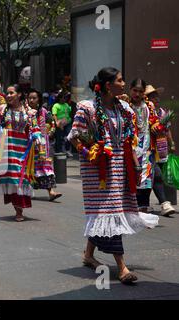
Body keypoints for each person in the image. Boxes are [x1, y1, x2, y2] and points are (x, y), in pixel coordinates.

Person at [68, 67, 159, 284]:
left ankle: (88, 255)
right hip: (98, 173)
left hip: (120, 169)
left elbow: (129, 140)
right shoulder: (86, 108)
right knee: (110, 214)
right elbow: (74, 137)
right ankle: (122, 267)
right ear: (108, 85)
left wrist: (136, 167)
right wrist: (90, 153)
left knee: (106, 214)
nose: (123, 82)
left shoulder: (124, 109)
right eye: (120, 80)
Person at [0, 84, 41, 222]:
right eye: (8, 93)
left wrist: (37, 137)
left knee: (22, 178)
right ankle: (18, 209)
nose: (9, 95)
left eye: (11, 93)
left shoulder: (29, 112)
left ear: (19, 95)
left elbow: (35, 129)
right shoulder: (2, 110)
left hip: (24, 150)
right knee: (13, 179)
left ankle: (20, 208)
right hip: (7, 151)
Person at [129, 79, 174, 215]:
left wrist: (156, 127)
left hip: (148, 149)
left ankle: (143, 207)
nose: (137, 94)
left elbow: (154, 121)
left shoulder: (149, 106)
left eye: (141, 91)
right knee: (134, 178)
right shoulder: (125, 105)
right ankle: (136, 207)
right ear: (130, 90)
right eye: (135, 90)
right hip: (132, 147)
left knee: (149, 178)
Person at [146, 85, 176, 216]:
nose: (156, 99)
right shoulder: (144, 111)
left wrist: (172, 143)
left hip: (162, 147)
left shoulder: (162, 112)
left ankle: (144, 203)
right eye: (152, 96)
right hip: (148, 148)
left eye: (156, 96)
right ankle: (164, 203)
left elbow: (167, 129)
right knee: (155, 174)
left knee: (157, 175)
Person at [27, 89, 62, 201]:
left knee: (45, 166)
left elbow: (52, 124)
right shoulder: (24, 112)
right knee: (29, 168)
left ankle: (51, 192)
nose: (31, 100)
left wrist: (50, 132)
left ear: (39, 100)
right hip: (29, 145)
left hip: (43, 146)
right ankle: (26, 192)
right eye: (30, 98)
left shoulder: (44, 112)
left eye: (34, 98)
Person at [52, 90, 73, 156]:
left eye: (65, 98)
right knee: (59, 137)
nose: (64, 99)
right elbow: (54, 114)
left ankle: (67, 150)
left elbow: (70, 111)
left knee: (69, 136)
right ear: (59, 98)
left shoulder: (66, 105)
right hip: (60, 124)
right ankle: (58, 150)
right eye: (63, 98)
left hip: (68, 122)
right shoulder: (56, 105)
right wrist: (56, 122)